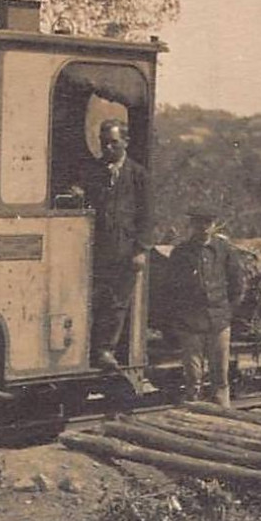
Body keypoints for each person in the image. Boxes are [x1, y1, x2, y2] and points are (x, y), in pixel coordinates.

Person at [71, 109, 152, 368]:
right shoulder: (92, 171)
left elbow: (147, 216)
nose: (107, 146)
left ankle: (105, 350)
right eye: (103, 141)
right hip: (95, 249)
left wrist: (141, 249)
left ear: (125, 142)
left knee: (117, 304)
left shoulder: (139, 175)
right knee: (92, 300)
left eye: (113, 142)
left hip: (124, 249)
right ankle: (86, 349)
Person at [165, 207, 248, 407]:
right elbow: (170, 287)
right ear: (191, 225)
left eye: (207, 223)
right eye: (198, 223)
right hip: (190, 322)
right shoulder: (181, 252)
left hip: (218, 321)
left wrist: (228, 311)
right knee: (193, 376)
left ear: (214, 225)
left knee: (220, 375)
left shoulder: (225, 250)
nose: (203, 228)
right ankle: (195, 412)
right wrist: (179, 315)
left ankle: (223, 411)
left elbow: (237, 283)